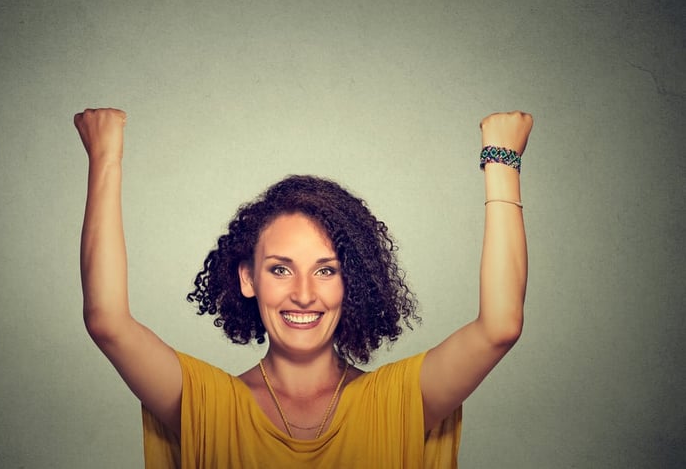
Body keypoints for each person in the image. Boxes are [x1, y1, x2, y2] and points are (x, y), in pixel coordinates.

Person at [74, 108, 533, 468]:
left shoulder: (398, 402)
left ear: (351, 283)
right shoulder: (207, 405)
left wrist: (502, 160)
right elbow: (107, 321)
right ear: (247, 278)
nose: (304, 294)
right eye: (280, 270)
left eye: (326, 271)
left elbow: (500, 327)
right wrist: (105, 157)